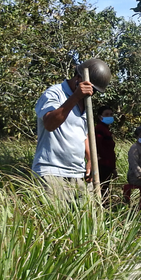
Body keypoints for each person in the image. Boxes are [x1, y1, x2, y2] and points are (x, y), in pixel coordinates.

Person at [32, 58, 111, 204]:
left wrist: (90, 160)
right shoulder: (54, 93)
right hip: (52, 172)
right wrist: (75, 97)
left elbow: (84, 134)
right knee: (55, 223)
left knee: (85, 222)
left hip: (77, 174)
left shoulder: (85, 102)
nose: (91, 93)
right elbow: (49, 123)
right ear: (78, 78)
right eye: (91, 88)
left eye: (95, 91)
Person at [95, 105, 117, 200]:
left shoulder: (106, 130)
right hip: (101, 165)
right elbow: (97, 144)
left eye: (111, 114)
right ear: (100, 117)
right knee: (102, 189)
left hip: (107, 165)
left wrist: (113, 167)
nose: (109, 116)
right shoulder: (99, 129)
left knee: (105, 188)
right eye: (106, 114)